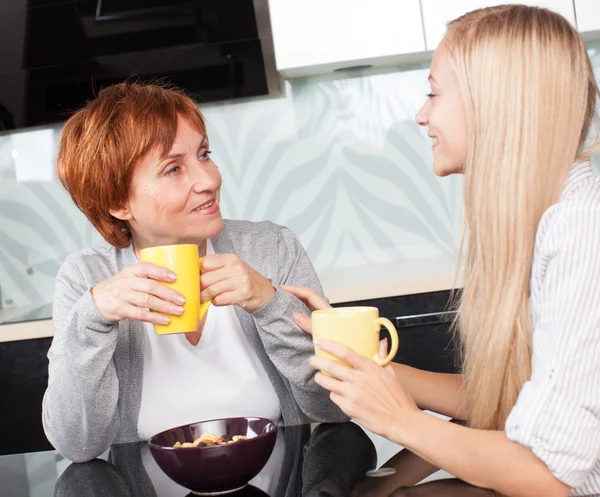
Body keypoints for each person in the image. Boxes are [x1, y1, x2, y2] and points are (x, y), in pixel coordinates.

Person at [284, 5, 600, 497]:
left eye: (434, 92)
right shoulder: (545, 216)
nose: (421, 114)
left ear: (495, 102)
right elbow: (509, 401)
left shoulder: (580, 228)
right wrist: (368, 371)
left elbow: (548, 473)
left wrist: (400, 419)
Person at [42, 82, 346, 463]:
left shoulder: (272, 249)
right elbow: (77, 445)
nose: (210, 180)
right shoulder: (86, 278)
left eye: (205, 154)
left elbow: (335, 408)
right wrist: (93, 318)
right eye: (173, 168)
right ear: (118, 201)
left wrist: (269, 303)